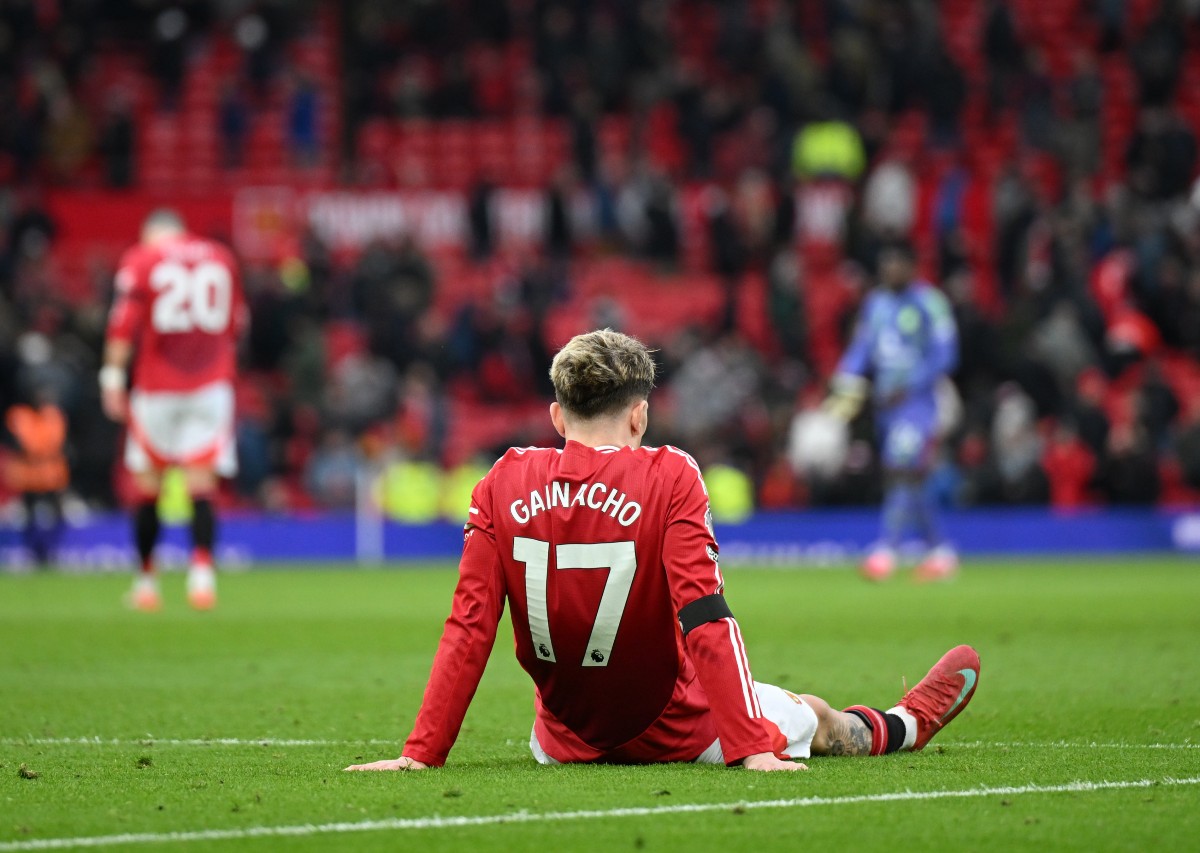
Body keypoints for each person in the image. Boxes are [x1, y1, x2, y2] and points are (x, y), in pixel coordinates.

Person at [347, 330, 979, 773]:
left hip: (562, 739)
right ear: (640, 416)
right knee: (814, 716)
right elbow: (703, 613)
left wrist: (421, 753)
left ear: (557, 416)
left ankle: (861, 724)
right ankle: (902, 726)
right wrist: (748, 746)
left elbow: (470, 625)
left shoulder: (500, 481)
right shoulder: (669, 474)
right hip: (680, 728)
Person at [101, 209, 246, 611]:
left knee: (149, 488)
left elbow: (122, 322)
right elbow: (237, 322)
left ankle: (146, 584)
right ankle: (202, 579)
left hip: (157, 387)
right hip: (212, 385)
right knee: (202, 486)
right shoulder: (221, 256)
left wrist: (111, 378)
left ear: (154, 235)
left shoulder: (142, 259)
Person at [824, 241, 960, 581]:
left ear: (913, 267)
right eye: (885, 264)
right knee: (912, 475)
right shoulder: (877, 304)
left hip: (918, 403)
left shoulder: (931, 303)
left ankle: (886, 550)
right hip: (886, 405)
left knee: (901, 468)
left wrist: (911, 383)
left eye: (896, 264)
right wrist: (845, 380)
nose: (889, 271)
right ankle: (941, 551)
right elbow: (862, 348)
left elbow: (946, 355)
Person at [5, 385, 69, 568]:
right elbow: (16, 443)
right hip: (29, 474)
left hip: (51, 473)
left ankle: (53, 549)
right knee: (30, 515)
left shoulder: (53, 415)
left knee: (57, 513)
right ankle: (34, 551)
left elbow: (61, 442)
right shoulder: (19, 416)